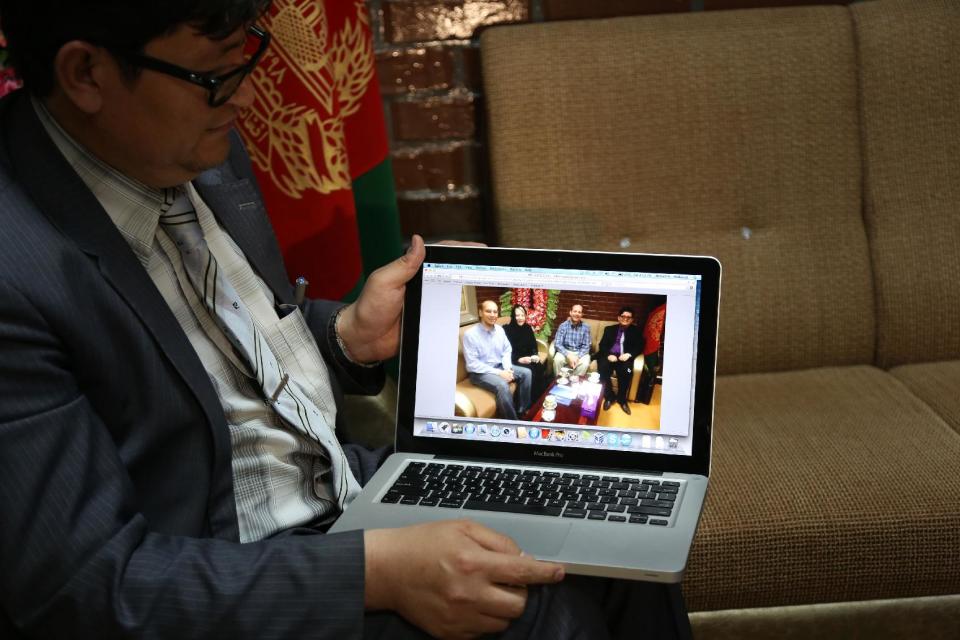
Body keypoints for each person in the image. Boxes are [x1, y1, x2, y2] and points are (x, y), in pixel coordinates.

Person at [0, 2, 692, 638]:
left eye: (247, 61)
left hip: (339, 487)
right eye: (213, 76)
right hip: (233, 569)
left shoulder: (186, 147)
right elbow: (84, 586)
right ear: (85, 72)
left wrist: (347, 335)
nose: (243, 97)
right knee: (540, 612)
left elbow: (212, 348)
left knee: (614, 549)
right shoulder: (17, 270)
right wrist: (376, 570)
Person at [462, 300, 532, 420]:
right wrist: (500, 373)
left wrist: (507, 369)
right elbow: (472, 364)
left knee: (527, 373)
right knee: (502, 385)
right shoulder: (470, 335)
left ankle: (523, 409)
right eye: (488, 311)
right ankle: (512, 423)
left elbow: (507, 349)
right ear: (480, 312)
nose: (493, 314)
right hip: (480, 373)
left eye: (495, 311)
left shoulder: (499, 330)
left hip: (500, 366)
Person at [597, 307, 644, 415]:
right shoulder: (609, 329)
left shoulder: (636, 331)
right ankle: (609, 396)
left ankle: (622, 399)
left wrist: (629, 354)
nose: (625, 319)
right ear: (619, 318)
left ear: (632, 320)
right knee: (602, 368)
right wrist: (608, 355)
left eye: (629, 317)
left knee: (627, 372)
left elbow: (640, 346)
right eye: (623, 316)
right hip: (610, 357)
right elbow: (602, 345)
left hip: (624, 358)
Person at [503, 304, 547, 399]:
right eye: (517, 315)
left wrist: (534, 355)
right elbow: (505, 351)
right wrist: (519, 359)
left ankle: (539, 398)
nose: (520, 318)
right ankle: (528, 402)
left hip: (527, 357)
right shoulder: (507, 330)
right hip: (514, 359)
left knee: (538, 366)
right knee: (531, 370)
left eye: (522, 315)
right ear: (513, 316)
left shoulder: (527, 328)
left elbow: (533, 345)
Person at [552, 303, 592, 376]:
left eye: (579, 312)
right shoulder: (563, 326)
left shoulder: (586, 327)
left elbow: (586, 346)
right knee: (558, 360)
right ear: (570, 312)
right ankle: (559, 381)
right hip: (565, 351)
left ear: (582, 315)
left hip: (579, 353)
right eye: (575, 311)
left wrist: (577, 357)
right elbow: (557, 343)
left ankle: (574, 382)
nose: (577, 314)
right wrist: (568, 356)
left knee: (585, 362)